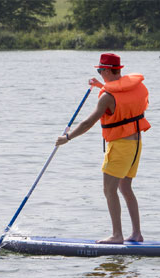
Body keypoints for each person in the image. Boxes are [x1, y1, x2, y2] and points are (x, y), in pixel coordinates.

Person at [56, 53, 151, 244]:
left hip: (120, 146)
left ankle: (117, 235)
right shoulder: (136, 87)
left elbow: (88, 122)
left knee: (109, 190)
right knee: (125, 188)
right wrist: (101, 86)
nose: (100, 74)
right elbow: (121, 96)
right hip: (136, 143)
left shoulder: (107, 97)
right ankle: (137, 234)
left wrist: (67, 138)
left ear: (107, 70)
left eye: (100, 71)